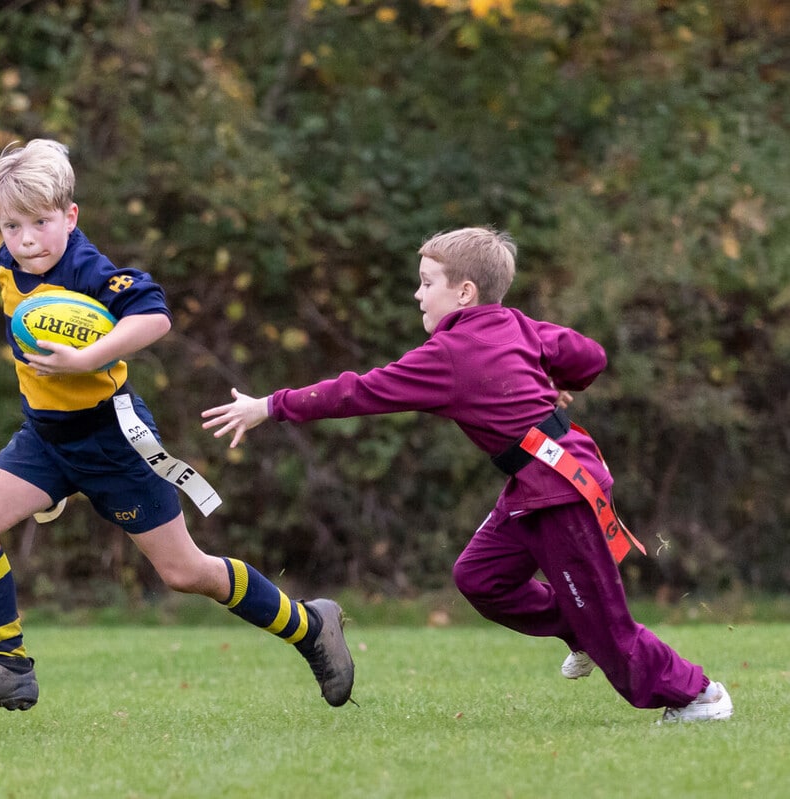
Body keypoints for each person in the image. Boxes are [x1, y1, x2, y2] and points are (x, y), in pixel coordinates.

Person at [201, 227, 733, 723]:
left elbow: (358, 391)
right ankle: (579, 628)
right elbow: (589, 357)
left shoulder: (449, 355)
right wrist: (556, 376)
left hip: (560, 488)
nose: (417, 294)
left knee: (608, 626)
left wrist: (270, 405)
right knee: (482, 578)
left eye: (426, 283)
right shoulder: (516, 323)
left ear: (465, 293)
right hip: (539, 479)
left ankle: (698, 695)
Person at [0, 139, 354, 712]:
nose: (26, 239)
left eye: (40, 222)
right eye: (10, 225)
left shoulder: (86, 267)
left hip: (113, 442)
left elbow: (155, 317)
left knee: (185, 572)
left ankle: (310, 626)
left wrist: (89, 357)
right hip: (47, 439)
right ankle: (7, 667)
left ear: (71, 217)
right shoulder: (12, 260)